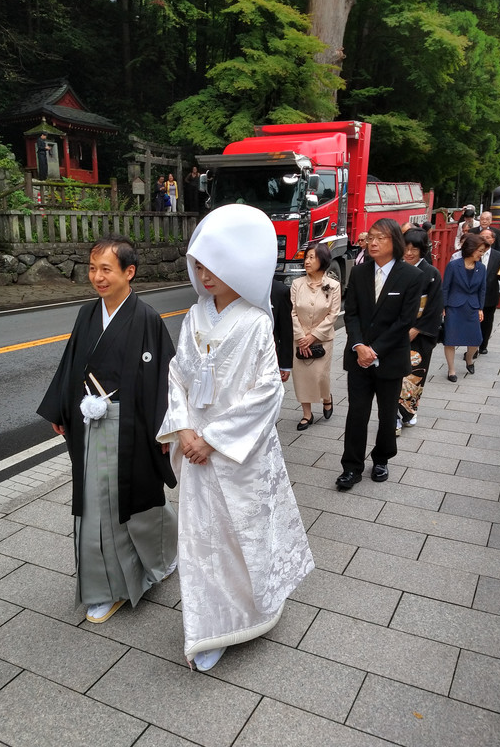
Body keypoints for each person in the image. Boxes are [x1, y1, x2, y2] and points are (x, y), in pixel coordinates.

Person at [156, 203, 314, 672]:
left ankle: (249, 610)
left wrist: (213, 438)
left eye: (214, 265)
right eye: (199, 265)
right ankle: (209, 624)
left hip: (235, 454)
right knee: (201, 540)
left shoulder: (255, 321)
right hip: (196, 446)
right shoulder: (194, 317)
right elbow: (177, 375)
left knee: (238, 534)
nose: (205, 274)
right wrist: (185, 429)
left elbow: (267, 391)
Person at [37, 236, 178, 624]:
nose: (97, 277)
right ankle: (110, 583)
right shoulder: (87, 315)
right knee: (97, 507)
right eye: (92, 268)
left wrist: (164, 429)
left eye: (106, 269)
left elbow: (165, 377)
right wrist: (60, 407)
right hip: (89, 423)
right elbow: (71, 365)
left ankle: (150, 563)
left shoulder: (147, 318)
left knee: (130, 502)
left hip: (130, 425)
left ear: (128, 273)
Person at [336, 218, 424, 491]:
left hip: (390, 358)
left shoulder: (411, 276)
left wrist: (375, 350)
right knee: (356, 414)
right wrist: (359, 346)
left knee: (387, 415)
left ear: (394, 242)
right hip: (358, 357)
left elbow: (404, 321)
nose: (373, 242)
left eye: (380, 238)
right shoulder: (360, 272)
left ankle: (382, 458)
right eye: (370, 237)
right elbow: (351, 313)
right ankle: (351, 468)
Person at [396, 228, 443, 434]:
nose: (409, 253)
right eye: (406, 248)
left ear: (422, 250)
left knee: (414, 374)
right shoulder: (396, 269)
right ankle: (394, 416)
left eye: (414, 249)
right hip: (396, 331)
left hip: (420, 334)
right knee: (394, 374)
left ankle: (407, 412)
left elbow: (434, 307)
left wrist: (417, 328)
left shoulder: (431, 273)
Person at [290, 243, 341, 430]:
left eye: (312, 257)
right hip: (300, 338)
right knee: (302, 377)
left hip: (322, 339)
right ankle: (307, 414)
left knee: (320, 376)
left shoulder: (333, 286)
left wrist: (314, 336)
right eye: (306, 257)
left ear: (323, 259)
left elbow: (333, 314)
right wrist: (301, 335)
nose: (307, 261)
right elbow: (293, 312)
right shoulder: (297, 284)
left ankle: (326, 397)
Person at [442, 232, 487, 382]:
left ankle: (469, 358)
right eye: (479, 251)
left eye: (483, 252)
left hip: (472, 307)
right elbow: (445, 287)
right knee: (450, 339)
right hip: (454, 307)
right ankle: (451, 370)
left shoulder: (481, 268)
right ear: (471, 249)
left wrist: (480, 308)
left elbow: (482, 289)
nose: (481, 254)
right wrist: (443, 306)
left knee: (476, 339)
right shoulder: (453, 266)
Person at [478, 227, 500, 355]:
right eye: (482, 237)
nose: (484, 239)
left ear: (493, 240)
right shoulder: (473, 253)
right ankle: (472, 347)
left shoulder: (498, 256)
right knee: (474, 321)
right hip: (475, 294)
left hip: (490, 294)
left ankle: (483, 345)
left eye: (487, 237)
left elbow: (499, 275)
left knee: (487, 322)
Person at [271, 278, 293, 382]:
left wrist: (285, 365)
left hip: (270, 356)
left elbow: (285, 330)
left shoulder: (279, 290)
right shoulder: (234, 290)